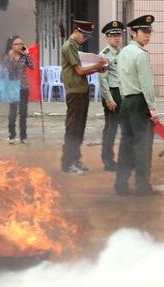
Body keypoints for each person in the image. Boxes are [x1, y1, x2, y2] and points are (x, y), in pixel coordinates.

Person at [115, 14, 159, 195]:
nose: (148, 35)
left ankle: (121, 184)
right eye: (144, 32)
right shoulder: (141, 55)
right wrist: (153, 108)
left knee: (126, 143)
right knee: (143, 145)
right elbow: (146, 85)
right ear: (133, 33)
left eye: (149, 32)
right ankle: (142, 186)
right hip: (140, 102)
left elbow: (119, 79)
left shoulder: (123, 52)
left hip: (126, 102)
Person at [60, 20, 107, 174]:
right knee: (73, 128)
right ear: (77, 31)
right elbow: (79, 71)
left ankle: (75, 159)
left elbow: (81, 70)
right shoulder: (69, 47)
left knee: (80, 128)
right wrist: (96, 66)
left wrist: (95, 70)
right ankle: (67, 163)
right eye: (84, 36)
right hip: (74, 91)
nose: (85, 39)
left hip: (81, 90)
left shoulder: (76, 47)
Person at [98, 20, 125, 171]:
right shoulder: (104, 56)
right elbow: (103, 80)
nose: (117, 38)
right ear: (107, 38)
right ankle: (108, 160)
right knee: (111, 128)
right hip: (113, 93)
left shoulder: (122, 53)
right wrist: (109, 99)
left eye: (119, 35)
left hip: (122, 94)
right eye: (113, 35)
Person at [5, 36, 35, 143]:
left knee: (23, 112)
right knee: (13, 112)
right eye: (16, 44)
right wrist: (16, 58)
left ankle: (23, 136)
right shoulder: (8, 56)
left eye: (21, 43)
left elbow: (32, 66)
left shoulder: (24, 56)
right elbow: (11, 69)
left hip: (24, 86)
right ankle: (12, 135)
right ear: (12, 46)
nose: (19, 46)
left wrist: (27, 55)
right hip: (13, 86)